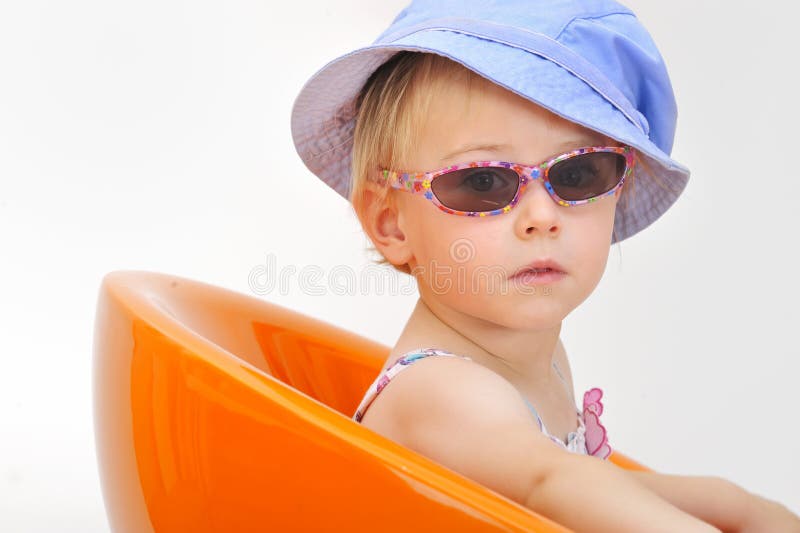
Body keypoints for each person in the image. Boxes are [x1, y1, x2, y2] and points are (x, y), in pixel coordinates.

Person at [290, 1, 800, 531]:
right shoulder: (441, 389)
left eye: (579, 173)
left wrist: (733, 503)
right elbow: (549, 483)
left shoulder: (536, 353)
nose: (541, 217)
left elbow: (577, 478)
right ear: (392, 223)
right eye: (483, 182)